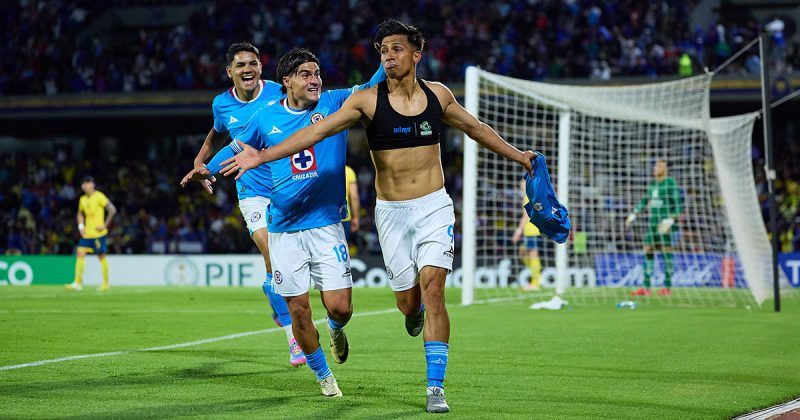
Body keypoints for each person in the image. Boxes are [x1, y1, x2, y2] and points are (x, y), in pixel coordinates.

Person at [223, 20, 535, 413]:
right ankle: (411, 312)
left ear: (416, 54)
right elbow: (315, 133)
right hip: (391, 212)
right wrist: (263, 156)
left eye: (396, 49)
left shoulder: (438, 95)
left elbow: (477, 129)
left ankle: (435, 387)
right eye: (383, 50)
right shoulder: (367, 102)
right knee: (409, 303)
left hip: (434, 205)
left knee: (434, 289)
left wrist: (520, 157)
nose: (388, 56)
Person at [223, 48, 386, 397]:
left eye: (317, 73)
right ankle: (325, 377)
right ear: (287, 81)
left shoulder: (335, 101)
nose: (315, 80)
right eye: (306, 75)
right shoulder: (266, 117)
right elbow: (236, 147)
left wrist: (388, 57)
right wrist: (205, 168)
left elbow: (374, 85)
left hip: (326, 225)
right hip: (283, 229)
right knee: (299, 310)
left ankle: (336, 329)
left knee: (340, 307)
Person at [179, 42, 305, 368]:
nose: (247, 69)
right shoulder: (222, 104)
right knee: (272, 253)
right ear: (229, 72)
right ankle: (293, 338)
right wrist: (200, 161)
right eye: (240, 65)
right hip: (252, 191)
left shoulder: (279, 90)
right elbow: (217, 133)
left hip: (287, 186)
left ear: (261, 67)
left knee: (280, 269)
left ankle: (274, 296)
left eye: (253, 63)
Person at [625, 159, 682, 296]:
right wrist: (634, 213)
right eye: (655, 166)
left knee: (665, 252)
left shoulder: (670, 183)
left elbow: (678, 205)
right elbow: (645, 201)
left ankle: (667, 286)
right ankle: (646, 287)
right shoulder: (652, 185)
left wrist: (670, 220)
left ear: (665, 169)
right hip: (652, 224)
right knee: (648, 249)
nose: (656, 168)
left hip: (665, 224)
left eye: (659, 166)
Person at [67, 176, 116, 291]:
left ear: (92, 185)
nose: (85, 186)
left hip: (98, 233)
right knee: (80, 252)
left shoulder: (99, 196)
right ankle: (77, 283)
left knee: (101, 256)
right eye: (83, 184)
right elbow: (80, 213)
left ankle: (105, 283)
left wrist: (105, 225)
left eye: (87, 183)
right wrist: (81, 226)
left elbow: (112, 210)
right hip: (87, 233)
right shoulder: (82, 199)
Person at [512, 179, 543, 290]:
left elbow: (526, 215)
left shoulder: (529, 195)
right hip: (529, 230)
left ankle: (535, 283)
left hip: (532, 230)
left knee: (533, 255)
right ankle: (536, 276)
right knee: (523, 252)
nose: (521, 184)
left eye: (523, 183)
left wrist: (518, 231)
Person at [342, 165, 360, 248]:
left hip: (327, 218)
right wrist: (356, 217)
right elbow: (354, 197)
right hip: (344, 217)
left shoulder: (323, 168)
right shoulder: (349, 171)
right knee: (343, 248)